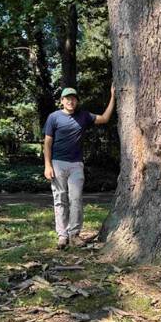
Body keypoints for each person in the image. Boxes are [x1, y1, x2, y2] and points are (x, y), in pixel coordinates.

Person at [43, 85, 116, 249]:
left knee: (75, 199)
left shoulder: (83, 116)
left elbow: (104, 118)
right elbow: (47, 142)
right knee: (60, 200)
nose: (71, 101)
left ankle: (74, 234)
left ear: (77, 101)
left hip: (76, 164)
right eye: (67, 98)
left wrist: (113, 97)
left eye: (73, 98)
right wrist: (47, 165)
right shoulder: (53, 117)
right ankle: (62, 236)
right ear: (62, 101)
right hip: (57, 163)